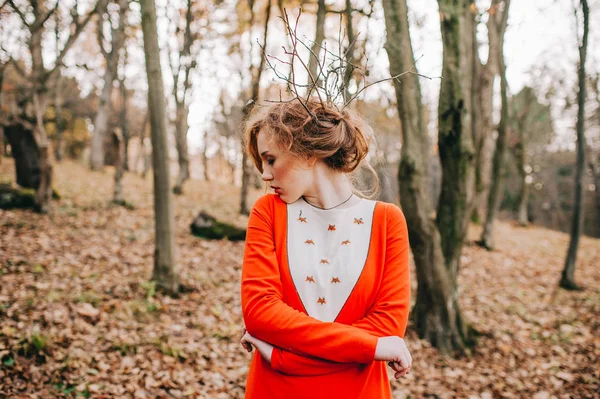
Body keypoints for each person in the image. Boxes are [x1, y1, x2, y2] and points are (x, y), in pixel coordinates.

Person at [240, 98, 412, 399]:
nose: (265, 175)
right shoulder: (268, 212)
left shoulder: (387, 221)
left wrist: (283, 357)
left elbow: (387, 326)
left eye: (270, 160)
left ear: (307, 154)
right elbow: (260, 311)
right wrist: (370, 348)